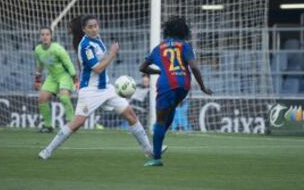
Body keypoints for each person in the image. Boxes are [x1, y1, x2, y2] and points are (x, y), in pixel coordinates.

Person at [38, 15, 162, 160]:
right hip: (90, 90)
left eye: (95, 25)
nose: (94, 29)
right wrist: (112, 54)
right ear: (84, 30)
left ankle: (149, 150)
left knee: (130, 114)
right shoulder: (85, 46)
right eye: (90, 27)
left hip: (106, 88)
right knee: (77, 123)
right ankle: (48, 150)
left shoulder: (97, 39)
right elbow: (97, 68)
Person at [139, 16, 213, 166]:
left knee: (159, 121)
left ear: (167, 31)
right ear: (184, 31)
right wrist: (202, 86)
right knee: (170, 110)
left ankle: (156, 157)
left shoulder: (159, 48)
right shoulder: (185, 46)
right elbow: (194, 67)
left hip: (166, 84)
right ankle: (158, 143)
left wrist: (158, 73)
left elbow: (142, 68)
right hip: (184, 85)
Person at [34, 27, 77, 133]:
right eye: (42, 34)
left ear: (51, 36)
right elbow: (40, 65)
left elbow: (68, 64)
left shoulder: (57, 49)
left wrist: (75, 79)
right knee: (41, 99)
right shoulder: (38, 50)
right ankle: (48, 126)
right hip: (52, 76)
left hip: (64, 75)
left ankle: (72, 123)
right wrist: (38, 79)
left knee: (64, 97)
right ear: (40, 37)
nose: (45, 36)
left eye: (47, 34)